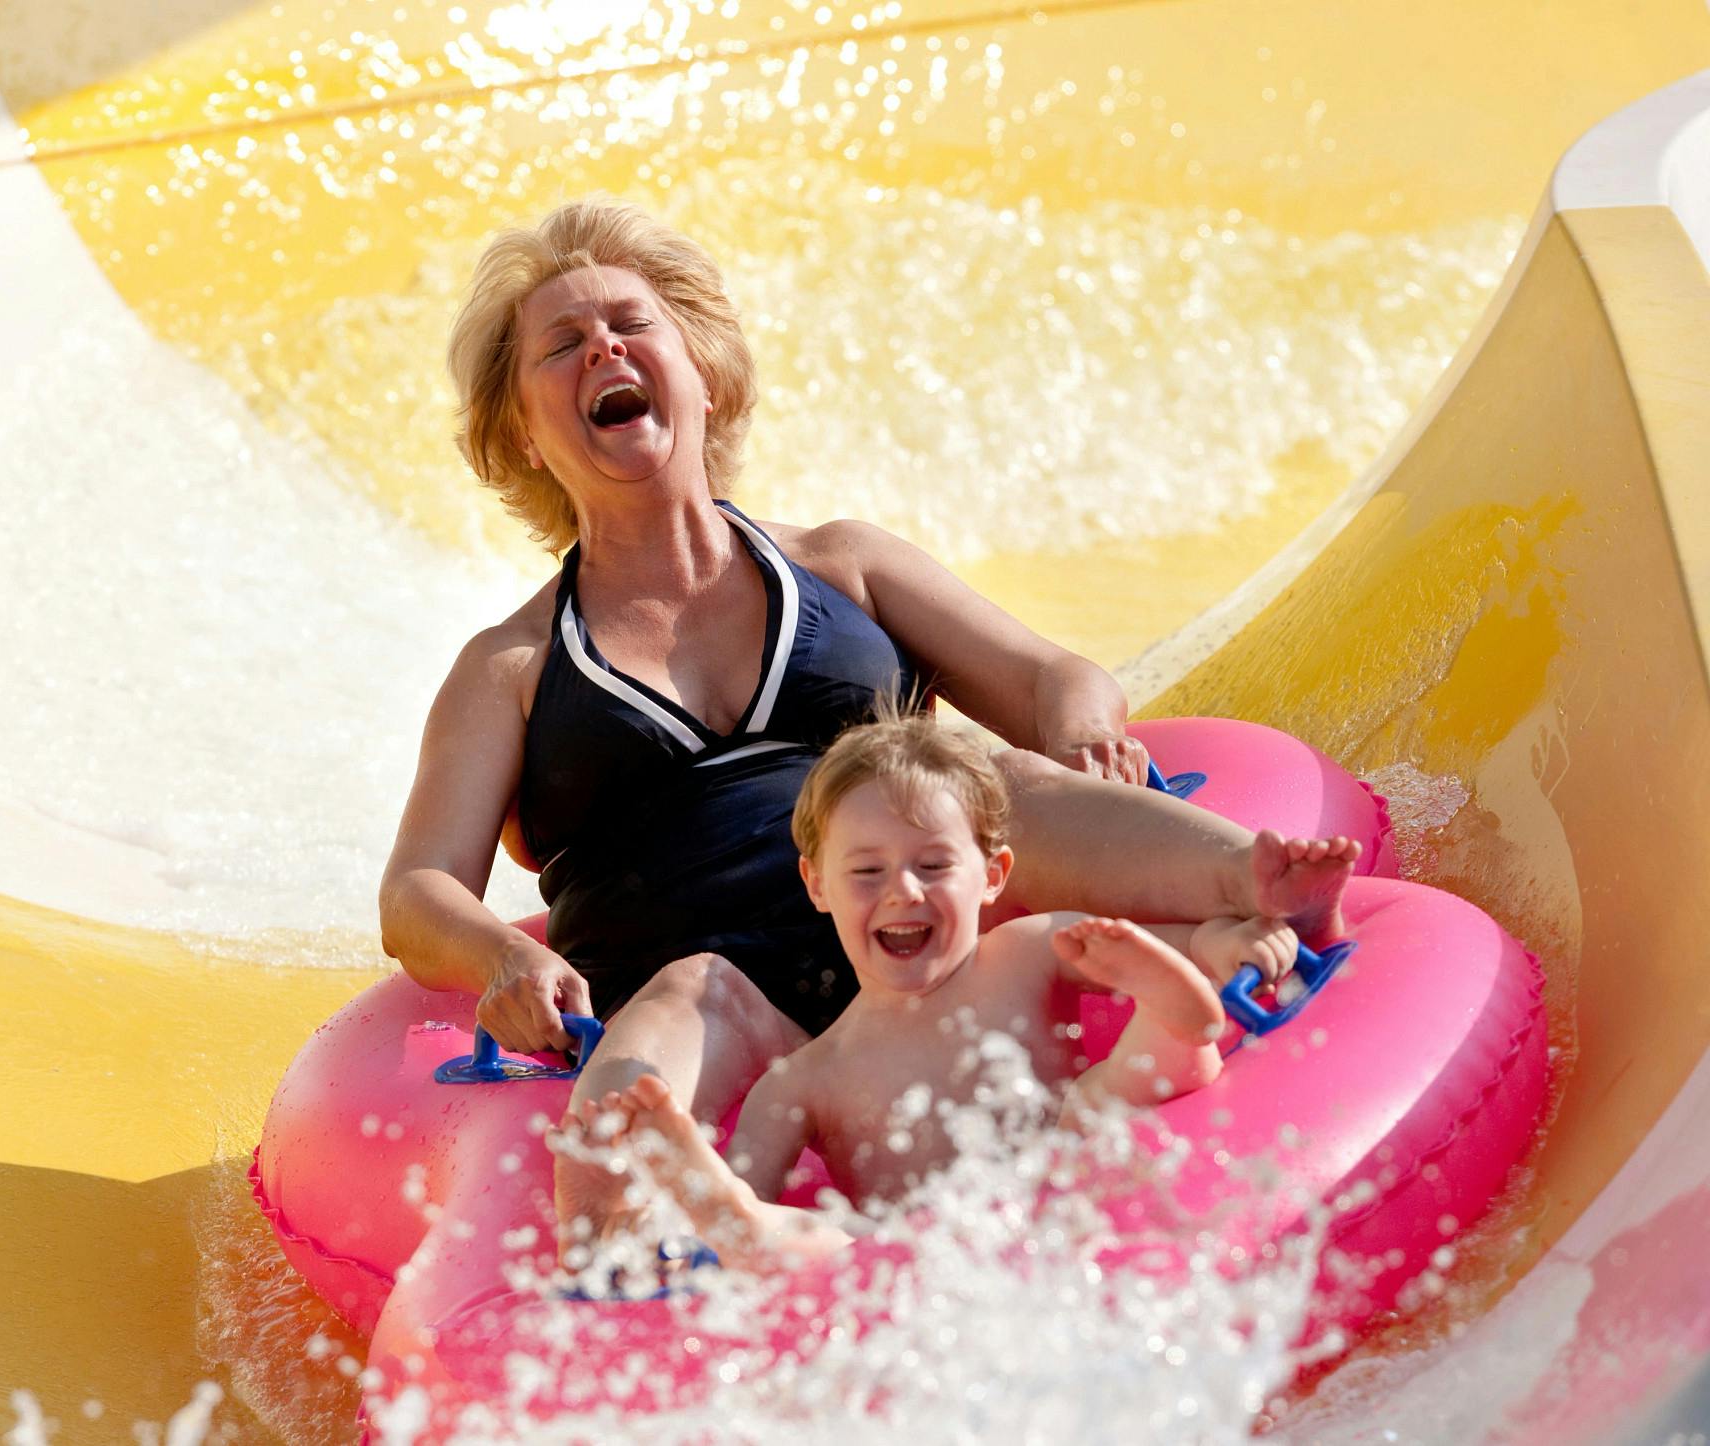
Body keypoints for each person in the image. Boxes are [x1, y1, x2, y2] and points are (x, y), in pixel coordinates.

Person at [376, 197, 1354, 1264]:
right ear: (522, 429)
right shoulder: (511, 668)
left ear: (701, 370)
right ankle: (628, 1238)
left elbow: (1048, 678)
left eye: (629, 324)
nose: (600, 347)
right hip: (721, 991)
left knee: (993, 781)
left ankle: (1255, 894)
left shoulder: (841, 564)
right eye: (559, 344)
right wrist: (493, 960)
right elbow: (416, 890)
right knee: (678, 1000)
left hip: (923, 917)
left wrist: (1081, 735)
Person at [568, 711, 1357, 1269]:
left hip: (1066, 1171)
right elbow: (769, 1187)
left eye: (934, 866)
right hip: (919, 1256)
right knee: (822, 1242)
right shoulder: (802, 1080)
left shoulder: (1030, 946)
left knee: (1100, 1098)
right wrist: (742, 1204)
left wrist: (1226, 941)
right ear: (816, 886)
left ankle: (1178, 1012)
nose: (903, 892)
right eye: (867, 872)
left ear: (994, 876)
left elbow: (1185, 943)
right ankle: (722, 1214)